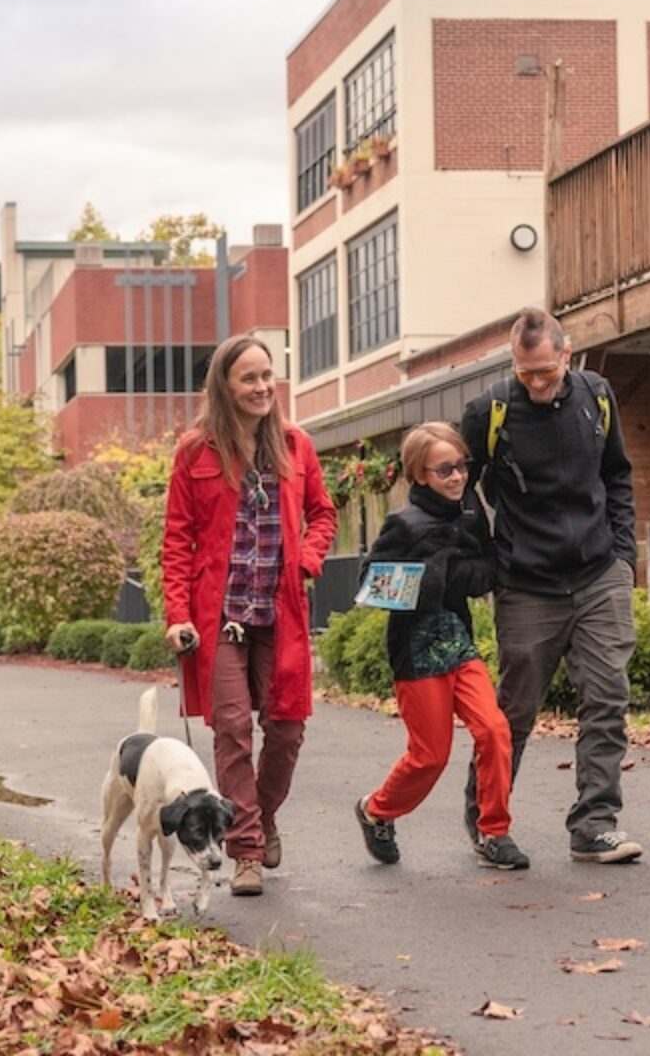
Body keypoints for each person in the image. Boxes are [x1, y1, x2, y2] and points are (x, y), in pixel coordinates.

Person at [461, 307, 641, 864]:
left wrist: (623, 556)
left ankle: (594, 823)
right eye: (525, 373)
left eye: (544, 370)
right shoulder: (488, 411)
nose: (536, 383)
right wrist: (488, 559)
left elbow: (617, 475)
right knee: (512, 713)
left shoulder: (597, 397)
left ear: (567, 355)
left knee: (607, 696)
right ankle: (486, 819)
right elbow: (456, 489)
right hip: (526, 584)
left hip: (597, 574)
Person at [161, 335, 336, 898]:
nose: (262, 387)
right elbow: (177, 539)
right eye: (249, 378)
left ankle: (262, 814)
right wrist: (177, 613)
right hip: (220, 618)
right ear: (226, 387)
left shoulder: (296, 444)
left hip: (279, 613)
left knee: (286, 728)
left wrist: (307, 561)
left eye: (268, 376)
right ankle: (246, 850)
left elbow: (323, 514)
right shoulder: (196, 451)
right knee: (232, 730)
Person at [354, 423, 527, 870]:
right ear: (419, 475)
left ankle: (494, 831)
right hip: (416, 649)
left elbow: (488, 568)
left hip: (459, 642)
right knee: (430, 756)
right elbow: (372, 586)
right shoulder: (403, 524)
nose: (456, 477)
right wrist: (435, 570)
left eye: (461, 466)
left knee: (494, 729)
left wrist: (459, 571)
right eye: (444, 469)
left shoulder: (471, 512)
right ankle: (376, 810)